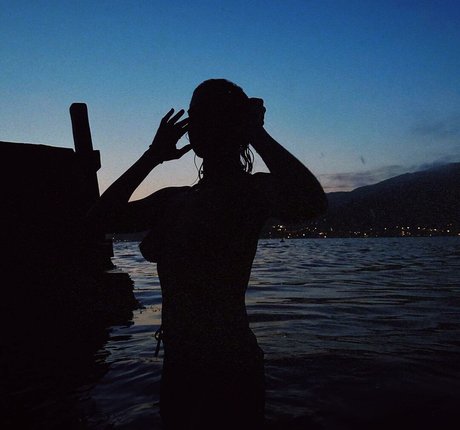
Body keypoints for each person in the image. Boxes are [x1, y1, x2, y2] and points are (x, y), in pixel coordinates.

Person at [88, 79, 327, 429]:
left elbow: (312, 202)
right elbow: (98, 220)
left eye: (205, 115)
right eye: (193, 115)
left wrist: (256, 133)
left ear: (231, 124)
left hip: (231, 365)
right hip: (179, 367)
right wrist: (152, 156)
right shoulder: (174, 200)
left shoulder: (250, 192)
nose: (194, 125)